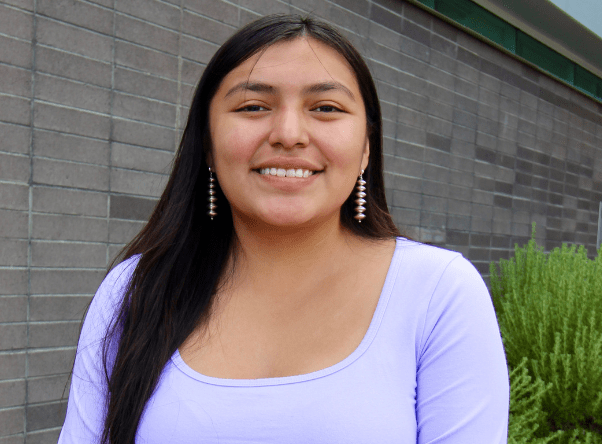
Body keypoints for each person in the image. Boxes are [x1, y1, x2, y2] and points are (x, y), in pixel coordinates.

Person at [58, 14, 509, 444]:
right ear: (208, 145)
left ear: (366, 147)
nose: (289, 133)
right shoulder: (136, 291)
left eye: (326, 108)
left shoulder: (438, 294)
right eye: (254, 106)